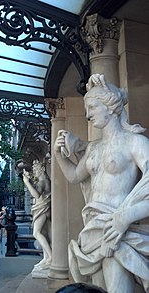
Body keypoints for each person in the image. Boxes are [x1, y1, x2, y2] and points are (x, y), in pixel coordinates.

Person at [54, 73, 149, 293]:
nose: (87, 115)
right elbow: (74, 176)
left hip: (117, 232)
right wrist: (59, 155)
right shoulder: (93, 149)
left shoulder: (134, 142)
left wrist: (124, 218)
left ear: (109, 107)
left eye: (93, 107)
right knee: (98, 289)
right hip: (92, 230)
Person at [23, 160, 52, 269]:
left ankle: (51, 256)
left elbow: (36, 195)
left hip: (42, 209)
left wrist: (26, 182)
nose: (34, 172)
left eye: (36, 169)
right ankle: (46, 258)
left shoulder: (43, 181)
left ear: (43, 169)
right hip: (44, 209)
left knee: (36, 233)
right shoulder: (46, 180)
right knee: (44, 234)